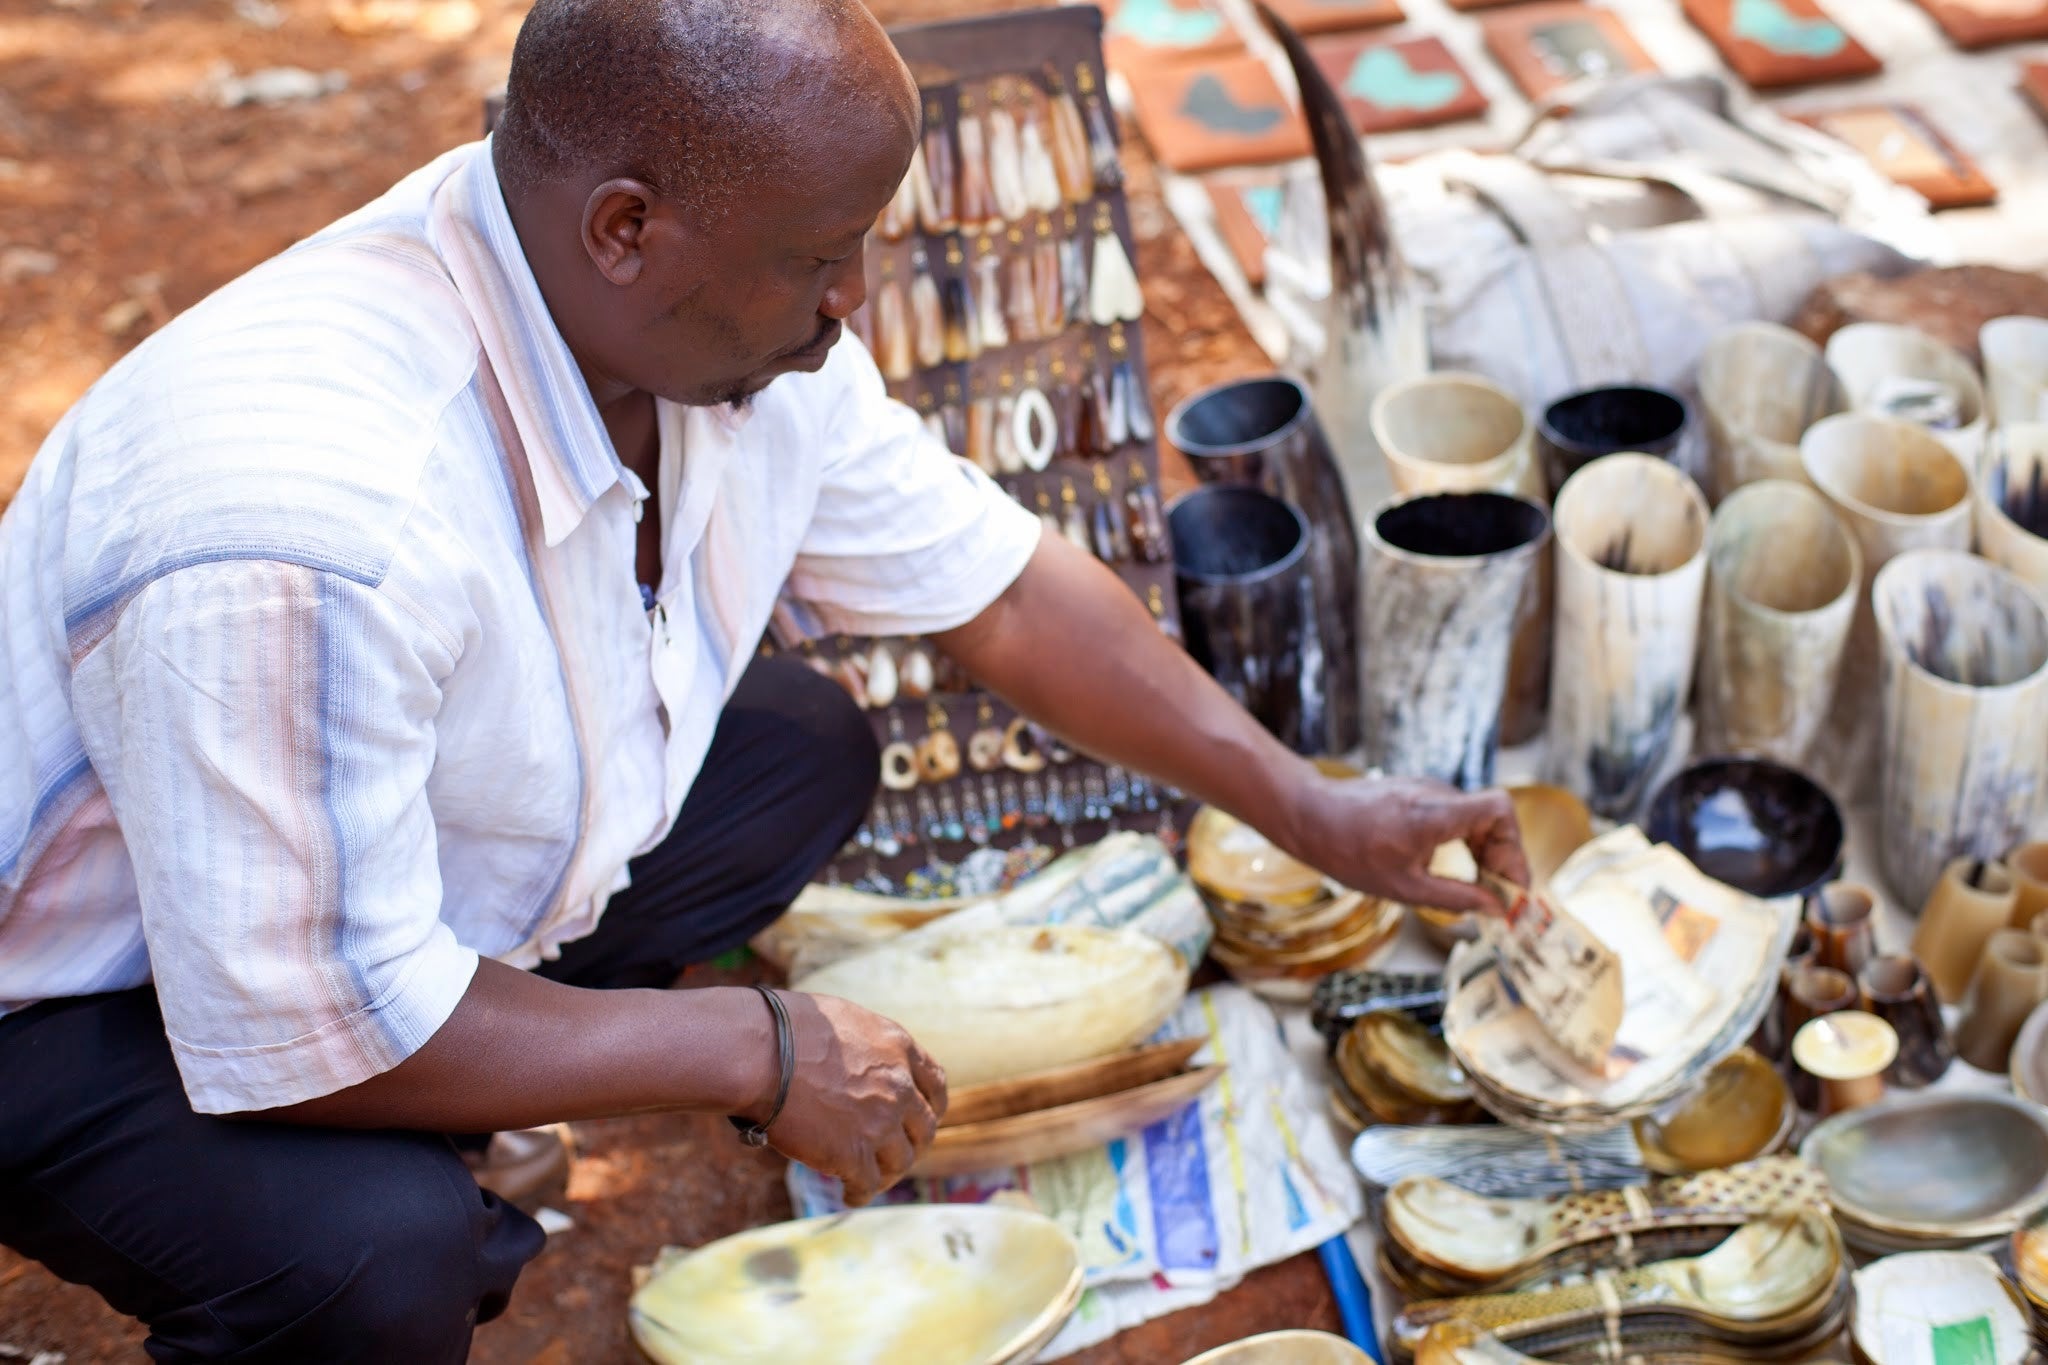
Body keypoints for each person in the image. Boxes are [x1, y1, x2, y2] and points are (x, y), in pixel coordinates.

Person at [0, 0, 1528, 1357]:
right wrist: (758, 1046)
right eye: (818, 254)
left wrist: (1310, 806)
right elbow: (319, 1026)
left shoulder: (694, 322)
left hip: (316, 908)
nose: (853, 296)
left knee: (798, 750)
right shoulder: (311, 527)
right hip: (72, 1007)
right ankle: (399, 1176)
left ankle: (487, 1081)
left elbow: (995, 592)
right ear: (623, 228)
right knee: (376, 1257)